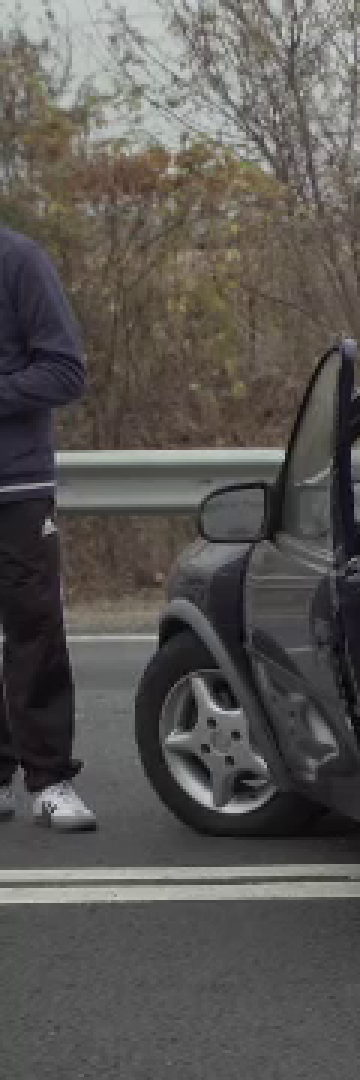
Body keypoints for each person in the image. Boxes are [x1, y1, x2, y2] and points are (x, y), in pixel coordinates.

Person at [0, 223, 95, 831]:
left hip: (16, 486)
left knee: (33, 628)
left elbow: (65, 372)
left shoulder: (19, 260)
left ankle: (50, 781)